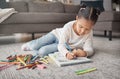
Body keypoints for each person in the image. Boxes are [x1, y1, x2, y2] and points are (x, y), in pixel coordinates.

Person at [21, 5, 100, 60]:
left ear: (92, 26)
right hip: (56, 35)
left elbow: (89, 49)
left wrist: (85, 53)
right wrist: (66, 53)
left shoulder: (90, 32)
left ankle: (42, 49)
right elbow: (61, 44)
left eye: (87, 29)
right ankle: (30, 44)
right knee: (35, 46)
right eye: (81, 26)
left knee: (42, 52)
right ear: (77, 18)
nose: (83, 31)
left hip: (67, 45)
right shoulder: (68, 26)